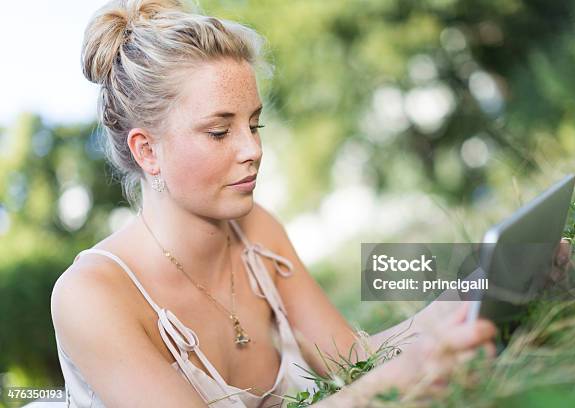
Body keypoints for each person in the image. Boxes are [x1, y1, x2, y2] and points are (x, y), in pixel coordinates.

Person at [50, 1, 509, 407]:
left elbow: (351, 360)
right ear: (147, 150)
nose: (252, 149)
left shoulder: (257, 232)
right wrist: (384, 388)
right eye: (218, 131)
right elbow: (372, 382)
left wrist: (477, 293)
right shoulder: (90, 296)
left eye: (255, 125)